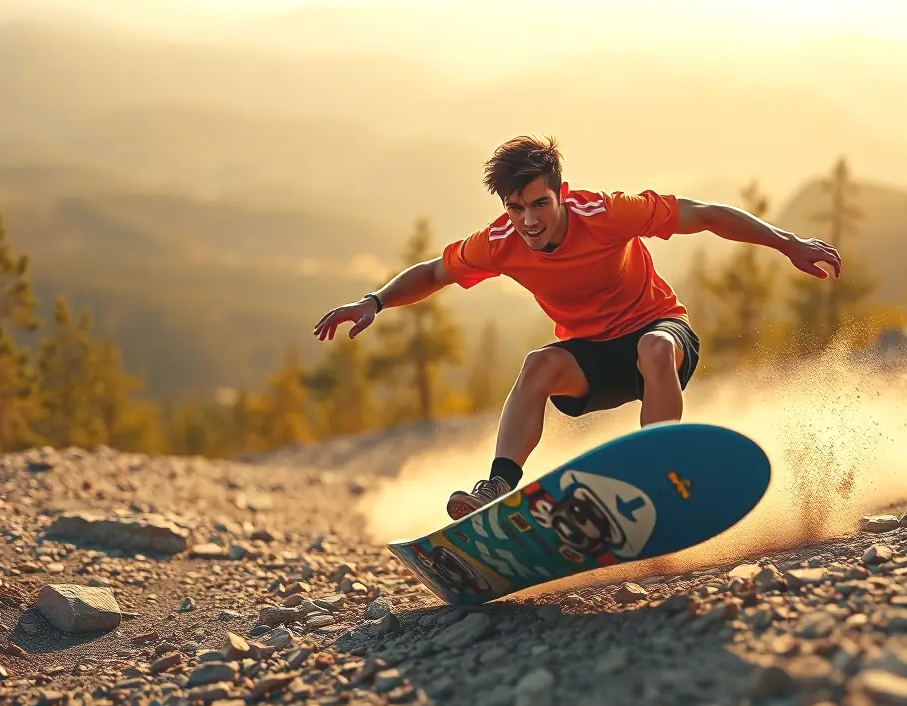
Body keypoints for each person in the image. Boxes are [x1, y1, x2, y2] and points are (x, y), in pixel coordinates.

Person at [312, 135, 841, 520]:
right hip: (591, 356)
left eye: (540, 203)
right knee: (538, 365)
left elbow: (702, 213)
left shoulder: (607, 213)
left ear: (561, 193)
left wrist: (787, 243)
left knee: (655, 348)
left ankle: (662, 473)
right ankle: (498, 486)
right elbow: (432, 272)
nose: (530, 220)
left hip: (658, 331)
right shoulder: (501, 242)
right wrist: (374, 301)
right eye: (517, 208)